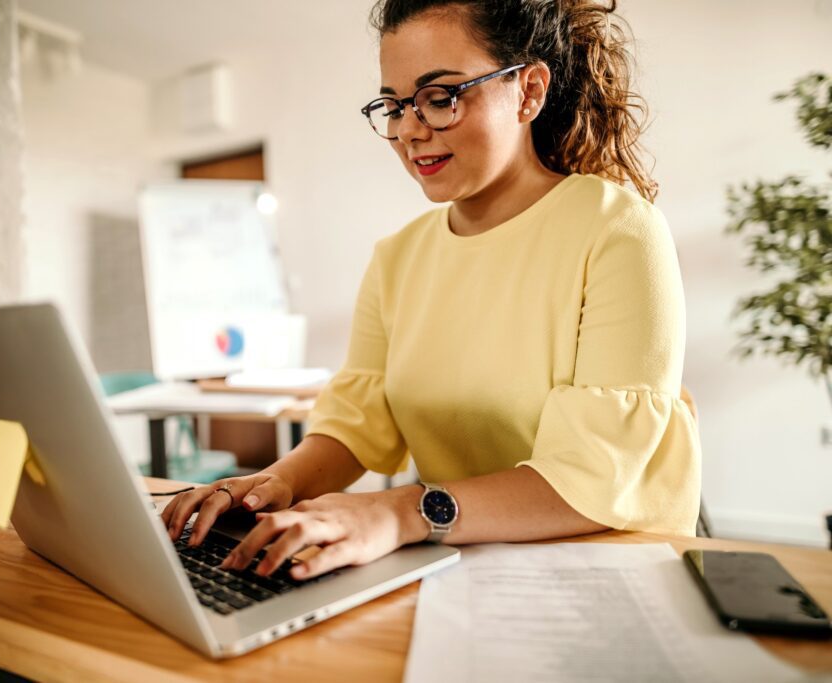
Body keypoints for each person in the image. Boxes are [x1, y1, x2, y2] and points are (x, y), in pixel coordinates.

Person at [162, 0, 701, 581]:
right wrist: (271, 484)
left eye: (440, 97)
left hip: (610, 567)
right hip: (467, 562)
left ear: (528, 92)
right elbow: (354, 427)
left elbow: (592, 476)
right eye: (394, 106)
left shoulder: (617, 229)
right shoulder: (397, 258)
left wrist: (401, 511)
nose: (410, 131)